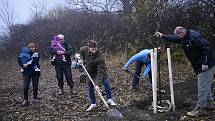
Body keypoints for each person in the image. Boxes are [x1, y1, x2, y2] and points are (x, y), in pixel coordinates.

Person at [155, 26, 215, 117]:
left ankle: (199, 110)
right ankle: (210, 105)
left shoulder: (194, 37)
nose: (178, 38)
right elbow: (174, 38)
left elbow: (207, 48)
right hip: (199, 66)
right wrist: (162, 36)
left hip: (206, 65)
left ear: (182, 33)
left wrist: (205, 63)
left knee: (202, 87)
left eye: (179, 36)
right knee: (205, 85)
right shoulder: (184, 37)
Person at [79, 40, 117, 111]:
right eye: (92, 49)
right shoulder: (85, 49)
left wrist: (97, 85)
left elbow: (100, 72)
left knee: (106, 82)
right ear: (89, 48)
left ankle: (109, 99)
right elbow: (81, 51)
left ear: (97, 48)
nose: (94, 51)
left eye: (95, 49)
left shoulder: (100, 57)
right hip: (90, 72)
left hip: (100, 71)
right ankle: (93, 104)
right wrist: (82, 59)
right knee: (90, 87)